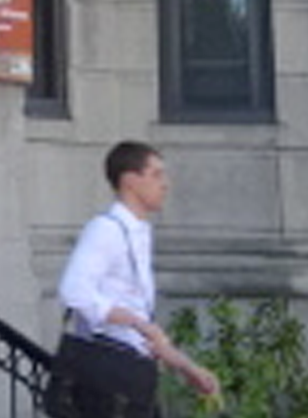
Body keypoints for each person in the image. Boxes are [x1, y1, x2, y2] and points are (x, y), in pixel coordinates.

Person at [51, 141, 219, 417]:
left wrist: (186, 368)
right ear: (130, 181)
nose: (165, 184)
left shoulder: (137, 232)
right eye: (155, 175)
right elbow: (74, 291)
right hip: (107, 376)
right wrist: (137, 322)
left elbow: (141, 325)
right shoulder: (106, 230)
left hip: (131, 374)